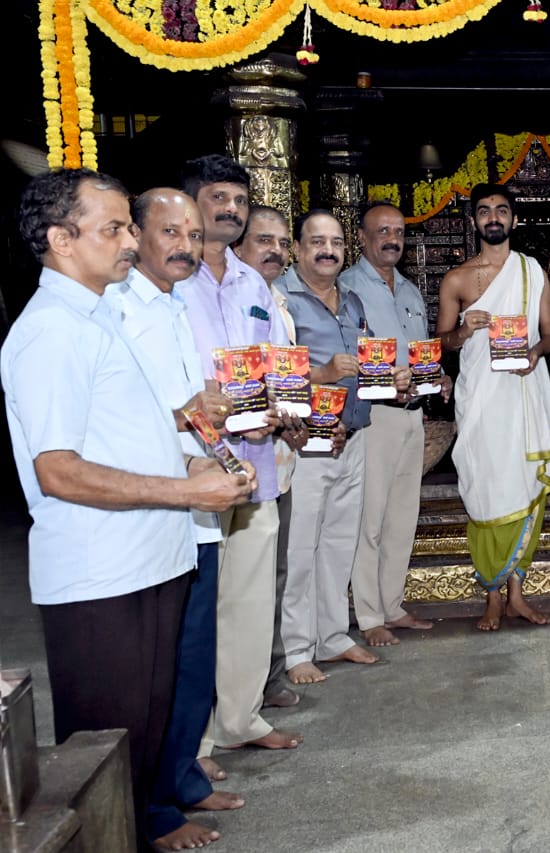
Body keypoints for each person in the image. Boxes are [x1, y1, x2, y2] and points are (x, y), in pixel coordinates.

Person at [1, 169, 254, 851]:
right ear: (61, 239)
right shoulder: (52, 330)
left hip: (147, 556)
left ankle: (146, 825)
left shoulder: (100, 315)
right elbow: (58, 471)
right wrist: (186, 491)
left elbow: (120, 432)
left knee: (143, 731)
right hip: (101, 571)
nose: (130, 241)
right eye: (113, 228)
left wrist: (188, 465)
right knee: (104, 751)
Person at [109, 187, 251, 849]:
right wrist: (189, 416)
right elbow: (120, 419)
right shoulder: (117, 310)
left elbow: (192, 410)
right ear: (135, 235)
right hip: (157, 508)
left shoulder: (172, 305)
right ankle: (155, 810)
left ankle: (183, 778)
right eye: (170, 232)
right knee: (158, 668)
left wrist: (224, 453)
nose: (186, 247)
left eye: (193, 236)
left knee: (194, 657)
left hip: (199, 504)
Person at [176, 154, 303, 756]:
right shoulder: (170, 282)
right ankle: (195, 742)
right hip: (195, 461)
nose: (230, 209)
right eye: (218, 198)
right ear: (191, 204)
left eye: (239, 201)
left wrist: (285, 406)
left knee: (251, 600)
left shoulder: (255, 285)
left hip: (257, 460)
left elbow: (278, 364)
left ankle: (241, 719)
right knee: (200, 605)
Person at [280, 210, 401, 682]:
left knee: (338, 545)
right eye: (317, 242)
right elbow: (275, 377)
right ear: (297, 248)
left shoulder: (351, 301)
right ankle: (296, 649)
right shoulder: (281, 300)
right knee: (300, 549)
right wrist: (324, 374)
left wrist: (393, 380)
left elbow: (364, 368)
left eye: (335, 242)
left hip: (352, 434)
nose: (327, 251)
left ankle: (331, 637)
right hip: (306, 440)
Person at [437, 182, 550, 631]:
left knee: (524, 488)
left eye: (502, 210)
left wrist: (535, 352)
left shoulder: (531, 271)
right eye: (485, 210)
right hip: (480, 402)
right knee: (486, 492)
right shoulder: (456, 280)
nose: (494, 217)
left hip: (522, 396)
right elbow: (441, 344)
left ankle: (516, 596)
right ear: (474, 220)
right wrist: (463, 330)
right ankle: (491, 594)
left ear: (514, 219)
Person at [341, 201, 448, 647]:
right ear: (361, 238)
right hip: (375, 416)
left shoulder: (408, 290)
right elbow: (348, 356)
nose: (392, 239)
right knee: (370, 518)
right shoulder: (347, 287)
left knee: (402, 516)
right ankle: (369, 616)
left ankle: (392, 605)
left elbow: (418, 351)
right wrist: (389, 386)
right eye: (382, 231)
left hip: (412, 415)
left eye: (399, 232)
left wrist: (438, 376)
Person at [233, 204, 305, 710]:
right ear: (238, 245)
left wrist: (300, 421)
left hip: (278, 459)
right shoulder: (220, 296)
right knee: (241, 586)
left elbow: (287, 381)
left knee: (273, 576)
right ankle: (239, 694)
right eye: (264, 240)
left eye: (281, 243)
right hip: (233, 460)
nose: (275, 251)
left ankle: (269, 677)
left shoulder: (278, 300)